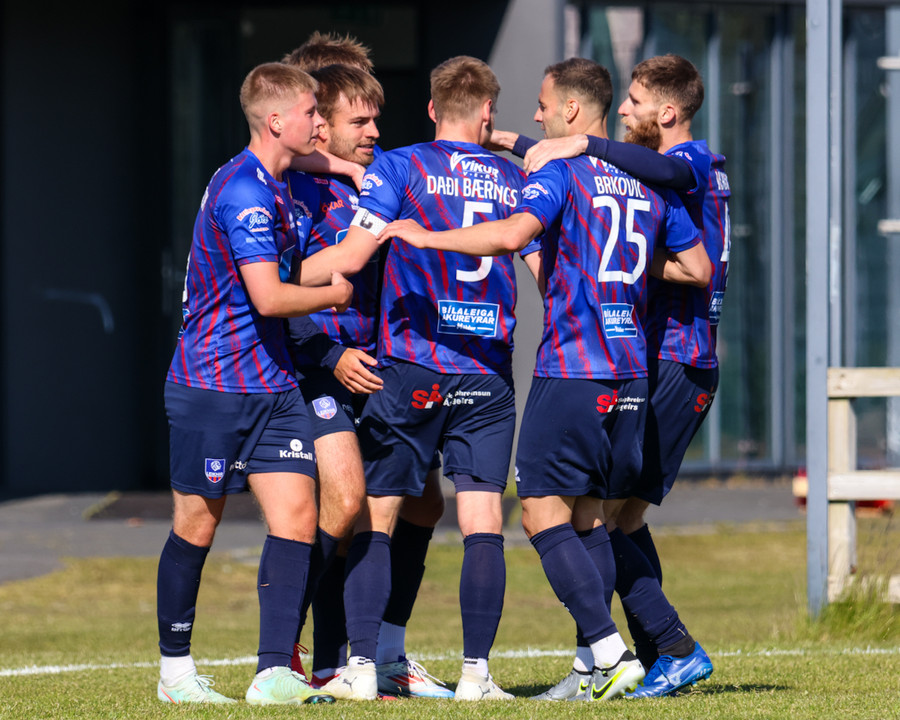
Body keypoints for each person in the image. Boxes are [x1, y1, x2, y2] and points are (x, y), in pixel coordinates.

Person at [380, 57, 711, 702]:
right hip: (632, 372)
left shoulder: (562, 172)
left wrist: (425, 237)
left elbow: (512, 234)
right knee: (588, 516)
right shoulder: (650, 182)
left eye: (541, 104)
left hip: (574, 370)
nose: (535, 114)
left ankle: (611, 652)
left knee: (537, 512)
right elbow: (697, 268)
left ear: (571, 111)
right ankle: (591, 668)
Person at [297, 55, 541, 701]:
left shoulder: (399, 167)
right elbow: (545, 269)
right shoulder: (516, 180)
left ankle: (363, 665)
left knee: (378, 515)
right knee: (481, 520)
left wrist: (271, 279)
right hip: (487, 372)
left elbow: (355, 254)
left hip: (410, 366)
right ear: (487, 113)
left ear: (432, 108)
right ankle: (476, 676)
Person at [494, 54, 729, 698]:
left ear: (669, 112)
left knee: (600, 517)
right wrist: (516, 141)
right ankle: (626, 657)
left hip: (673, 356)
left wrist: (582, 144)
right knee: (605, 514)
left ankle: (662, 649)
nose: (625, 110)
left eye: (636, 100)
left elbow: (677, 225)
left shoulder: (689, 162)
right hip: (660, 358)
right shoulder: (649, 175)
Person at [155, 62, 352, 706]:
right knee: (196, 526)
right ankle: (175, 673)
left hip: (274, 386)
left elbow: (313, 161)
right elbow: (268, 298)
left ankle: (274, 674)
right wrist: (332, 293)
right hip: (213, 386)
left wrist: (346, 169)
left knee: (297, 517)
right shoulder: (244, 191)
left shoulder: (278, 177)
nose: (320, 123)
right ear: (275, 121)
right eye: (310, 113)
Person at [282, 37, 453, 698]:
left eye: (376, 116)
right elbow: (272, 292)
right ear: (319, 122)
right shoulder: (292, 190)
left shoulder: (382, 179)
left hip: (383, 367)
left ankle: (383, 652)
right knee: (348, 504)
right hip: (316, 367)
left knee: (424, 503)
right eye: (360, 119)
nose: (375, 131)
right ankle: (291, 645)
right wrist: (330, 353)